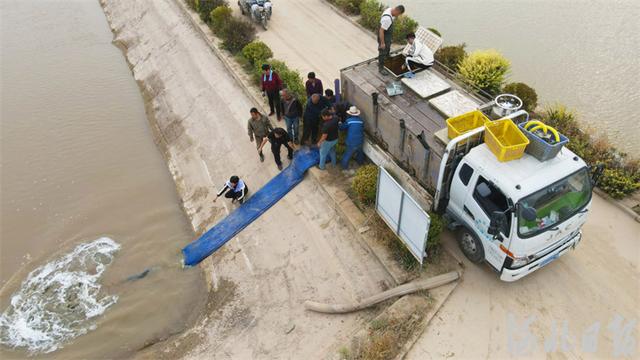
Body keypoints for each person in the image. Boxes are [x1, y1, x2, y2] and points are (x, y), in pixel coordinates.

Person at [377, 5, 405, 75]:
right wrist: (382, 43)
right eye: (398, 14)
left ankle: (386, 58)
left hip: (387, 36)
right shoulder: (387, 19)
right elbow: (381, 31)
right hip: (383, 36)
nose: (397, 16)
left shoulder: (389, 10)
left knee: (387, 49)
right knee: (383, 51)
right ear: (397, 11)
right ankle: (381, 68)